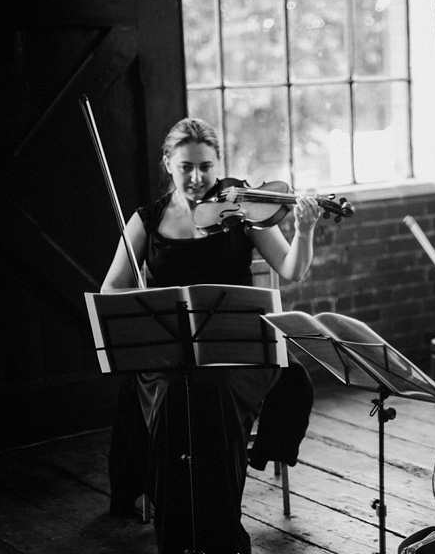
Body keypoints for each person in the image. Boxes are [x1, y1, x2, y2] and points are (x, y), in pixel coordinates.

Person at [102, 117, 319, 554]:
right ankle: (178, 536)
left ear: (219, 163)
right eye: (186, 167)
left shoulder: (242, 211)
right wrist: (148, 306)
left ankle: (219, 532)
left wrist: (306, 230)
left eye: (206, 166)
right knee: (175, 397)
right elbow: (111, 289)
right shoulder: (148, 220)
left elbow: (292, 270)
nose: (198, 178)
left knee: (214, 394)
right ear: (168, 164)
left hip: (239, 348)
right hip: (171, 355)